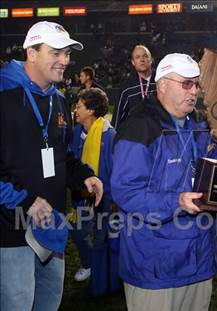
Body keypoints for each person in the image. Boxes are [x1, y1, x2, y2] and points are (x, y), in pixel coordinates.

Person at [0, 21, 103, 311]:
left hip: (52, 226)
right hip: (12, 232)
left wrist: (83, 176)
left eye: (67, 54)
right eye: (56, 52)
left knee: (48, 304)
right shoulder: (4, 95)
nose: (65, 61)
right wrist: (27, 201)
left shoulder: (58, 100)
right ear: (31, 53)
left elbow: (62, 156)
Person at [111, 53, 217, 311]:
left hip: (200, 259)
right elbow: (126, 192)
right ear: (162, 84)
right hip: (156, 267)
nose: (194, 91)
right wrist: (176, 201)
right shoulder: (139, 127)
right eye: (186, 83)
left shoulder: (201, 125)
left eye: (196, 84)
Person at [70, 88, 116, 282]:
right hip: (82, 193)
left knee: (100, 236)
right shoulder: (76, 132)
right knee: (78, 232)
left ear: (90, 110)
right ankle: (88, 263)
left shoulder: (110, 135)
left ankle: (100, 274)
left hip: (104, 196)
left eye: (79, 106)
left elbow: (115, 171)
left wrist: (113, 199)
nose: (75, 110)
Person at [111, 44, 156, 130]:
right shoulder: (126, 87)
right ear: (133, 62)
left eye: (145, 56)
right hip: (136, 138)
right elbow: (118, 118)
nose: (142, 60)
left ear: (151, 60)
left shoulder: (162, 82)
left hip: (160, 138)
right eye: (138, 57)